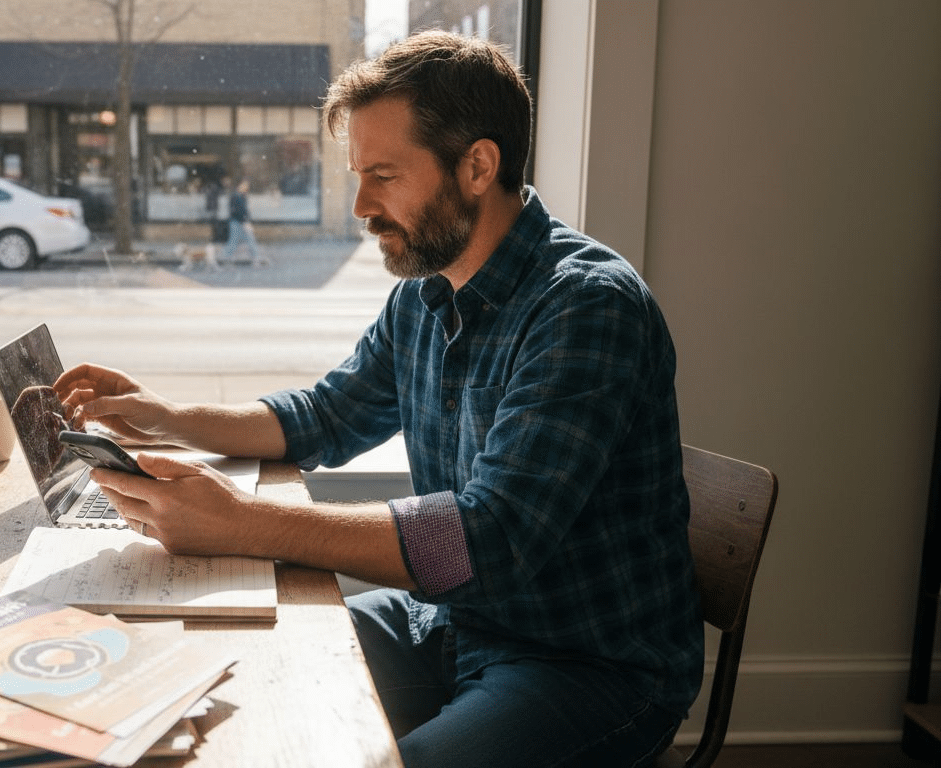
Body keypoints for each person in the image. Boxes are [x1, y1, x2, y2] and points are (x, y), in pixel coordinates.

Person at [54, 30, 702, 768]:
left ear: (478, 166)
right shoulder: (427, 292)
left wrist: (241, 524)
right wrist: (168, 417)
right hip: (452, 621)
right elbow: (327, 415)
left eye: (384, 176)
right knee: (235, 676)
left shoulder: (587, 306)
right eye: (359, 176)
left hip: (586, 665)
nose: (361, 206)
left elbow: (490, 540)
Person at [223, 179, 268, 266]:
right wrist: (244, 221)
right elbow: (237, 211)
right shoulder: (235, 196)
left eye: (247, 186)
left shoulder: (242, 196)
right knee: (237, 240)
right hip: (237, 222)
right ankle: (228, 258)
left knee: (246, 240)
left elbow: (244, 210)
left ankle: (255, 258)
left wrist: (246, 220)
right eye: (244, 186)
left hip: (240, 221)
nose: (246, 188)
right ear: (239, 186)